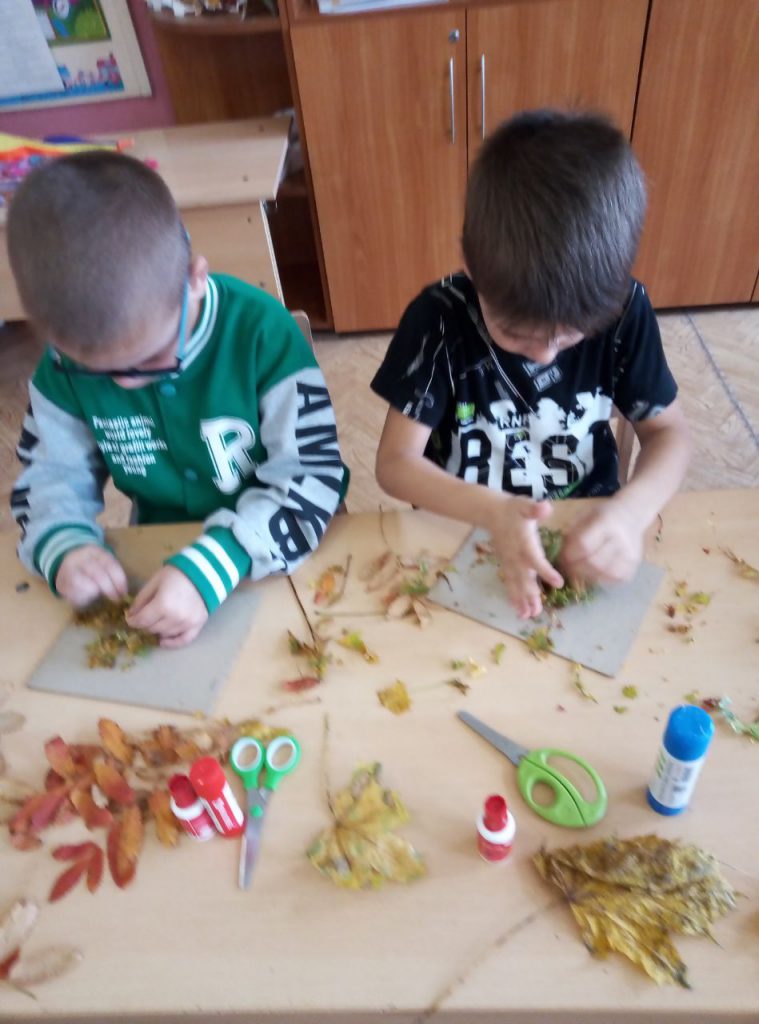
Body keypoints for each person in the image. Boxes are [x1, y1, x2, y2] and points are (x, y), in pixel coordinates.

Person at [8, 151, 348, 648]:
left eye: (151, 359)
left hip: (284, 547)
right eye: (94, 371)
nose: (126, 385)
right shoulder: (62, 364)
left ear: (194, 278)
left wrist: (221, 559)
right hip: (164, 550)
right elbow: (49, 478)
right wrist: (63, 545)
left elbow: (312, 477)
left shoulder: (261, 334)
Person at [371, 109, 691, 619]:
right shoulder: (437, 319)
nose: (545, 354)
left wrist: (631, 513)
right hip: (461, 531)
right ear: (471, 267)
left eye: (571, 335)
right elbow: (394, 465)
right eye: (516, 333)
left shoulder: (625, 308)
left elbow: (668, 434)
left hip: (584, 535)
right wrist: (494, 512)